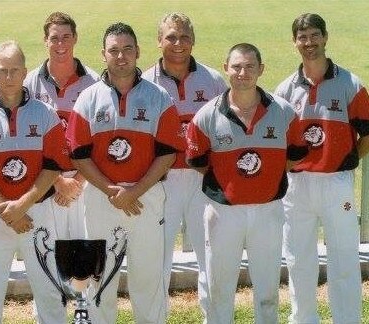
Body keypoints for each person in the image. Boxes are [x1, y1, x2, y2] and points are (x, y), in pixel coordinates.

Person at [66, 22, 182, 324]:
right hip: (101, 199)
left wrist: (134, 191)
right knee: (99, 278)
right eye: (114, 50)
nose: (121, 56)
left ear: (138, 52)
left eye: (127, 49)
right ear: (103, 55)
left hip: (146, 198)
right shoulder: (88, 98)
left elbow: (167, 152)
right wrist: (112, 191)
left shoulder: (158, 96)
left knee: (148, 278)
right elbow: (79, 155)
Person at [186, 43, 308, 324]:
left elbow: (295, 155)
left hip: (268, 211)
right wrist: (231, 183)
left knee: (267, 291)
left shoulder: (284, 112)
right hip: (223, 213)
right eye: (237, 66)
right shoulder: (206, 115)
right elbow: (197, 161)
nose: (243, 72)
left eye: (250, 66)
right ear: (226, 67)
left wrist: (266, 179)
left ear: (261, 70)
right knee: (220, 290)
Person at [0, 41, 71, 324]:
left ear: (25, 72)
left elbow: (51, 167)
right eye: (2, 71)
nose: (9, 77)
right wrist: (7, 210)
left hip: (38, 213)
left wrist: (22, 205)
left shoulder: (45, 114)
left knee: (49, 290)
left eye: (14, 70)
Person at [275, 13, 369, 323]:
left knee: (343, 258)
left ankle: (347, 319)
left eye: (315, 35)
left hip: (336, 183)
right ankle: (303, 319)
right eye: (302, 37)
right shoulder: (285, 90)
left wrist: (347, 160)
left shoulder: (350, 84)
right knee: (299, 259)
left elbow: (367, 133)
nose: (309, 42)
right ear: (294, 42)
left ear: (326, 37)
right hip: (297, 184)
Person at [142, 12, 227, 318]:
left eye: (185, 37)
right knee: (157, 261)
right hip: (160, 182)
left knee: (211, 258)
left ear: (194, 39)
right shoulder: (144, 82)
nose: (178, 44)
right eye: (171, 37)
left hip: (201, 180)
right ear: (158, 41)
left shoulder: (214, 80)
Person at [24, 11, 99, 240]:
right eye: (54, 38)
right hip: (44, 181)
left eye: (66, 37)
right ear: (45, 40)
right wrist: (57, 181)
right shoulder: (29, 84)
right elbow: (28, 140)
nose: (60, 44)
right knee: (47, 253)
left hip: (85, 181)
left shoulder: (93, 83)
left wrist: (77, 181)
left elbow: (99, 138)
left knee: (82, 257)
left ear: (75, 38)